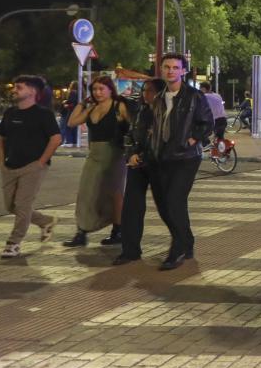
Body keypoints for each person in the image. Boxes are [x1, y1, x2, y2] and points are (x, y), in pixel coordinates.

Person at [135, 53, 214, 270]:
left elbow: (207, 123)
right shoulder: (158, 98)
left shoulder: (194, 97)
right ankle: (186, 241)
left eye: (175, 67)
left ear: (183, 71)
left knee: (174, 201)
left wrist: (190, 140)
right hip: (162, 157)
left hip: (186, 157)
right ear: (161, 70)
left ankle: (177, 249)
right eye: (167, 67)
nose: (171, 71)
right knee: (163, 205)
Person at [0, 75, 63, 259]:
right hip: (10, 167)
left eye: (19, 87)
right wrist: (1, 162)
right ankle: (46, 221)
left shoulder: (43, 114)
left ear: (32, 91)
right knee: (11, 206)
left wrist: (40, 163)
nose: (14, 90)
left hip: (32, 167)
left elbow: (56, 138)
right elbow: (1, 139)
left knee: (23, 205)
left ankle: (13, 243)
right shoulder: (10, 113)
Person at [62, 75, 131, 247]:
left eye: (101, 89)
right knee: (86, 192)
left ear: (110, 89)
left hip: (115, 154)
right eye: (94, 89)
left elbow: (133, 127)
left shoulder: (119, 106)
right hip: (94, 155)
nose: (98, 92)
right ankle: (82, 232)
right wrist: (82, 103)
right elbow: (72, 122)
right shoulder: (92, 107)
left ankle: (118, 230)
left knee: (114, 194)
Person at [112, 78, 163, 265]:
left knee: (168, 208)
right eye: (144, 90)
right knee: (132, 207)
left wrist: (142, 156)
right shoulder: (140, 110)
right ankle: (130, 250)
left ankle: (183, 244)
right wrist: (131, 154)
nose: (146, 94)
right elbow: (130, 135)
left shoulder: (166, 111)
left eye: (150, 91)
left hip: (158, 164)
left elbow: (162, 139)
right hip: (137, 164)